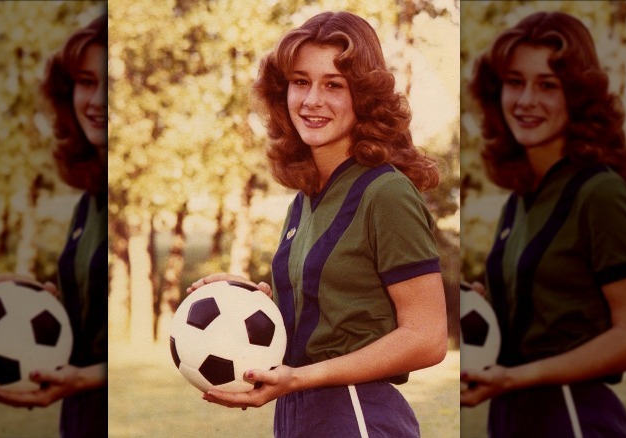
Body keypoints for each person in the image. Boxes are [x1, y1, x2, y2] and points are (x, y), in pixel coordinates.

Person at [188, 11, 447, 437]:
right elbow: (323, 324)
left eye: (334, 85)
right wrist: (243, 303)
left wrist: (302, 378)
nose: (311, 101)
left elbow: (428, 337)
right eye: (301, 81)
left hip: (355, 413)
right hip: (297, 415)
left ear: (363, 96)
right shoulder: (306, 198)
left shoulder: (386, 193)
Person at [460, 11, 626, 438]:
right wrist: (488, 310)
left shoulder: (600, 193)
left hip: (572, 416)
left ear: (578, 96)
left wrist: (517, 377)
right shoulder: (520, 201)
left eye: (547, 85)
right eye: (515, 82)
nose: (526, 100)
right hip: (512, 415)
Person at [0, 13, 108, 438]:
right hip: (79, 414)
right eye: (87, 81)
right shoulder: (88, 204)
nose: (98, 101)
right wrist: (36, 301)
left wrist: (90, 378)